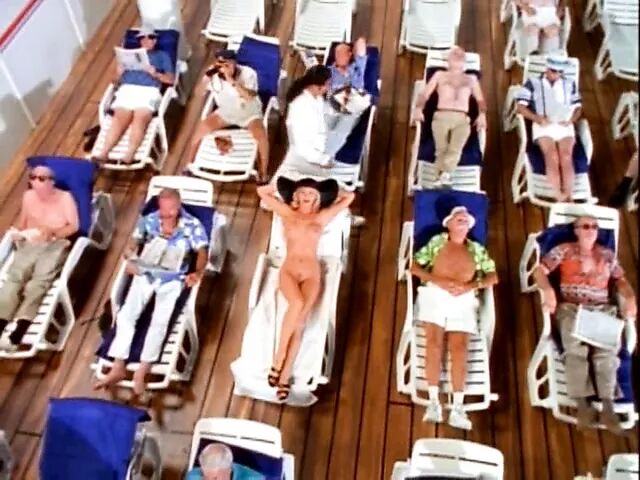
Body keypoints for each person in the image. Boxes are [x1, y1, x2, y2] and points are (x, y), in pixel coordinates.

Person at [94, 188, 208, 394]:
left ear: (177, 207)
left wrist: (197, 272)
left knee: (159, 321)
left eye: (170, 210)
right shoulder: (150, 220)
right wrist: (130, 253)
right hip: (146, 273)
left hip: (173, 278)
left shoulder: (192, 225)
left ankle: (142, 370)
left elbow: (202, 251)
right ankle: (118, 365)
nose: (165, 214)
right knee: (126, 315)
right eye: (162, 209)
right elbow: (135, 240)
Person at [533, 215, 637, 433]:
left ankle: (607, 405)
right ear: (576, 230)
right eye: (586, 226)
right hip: (572, 308)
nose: (591, 230)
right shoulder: (564, 250)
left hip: (602, 309)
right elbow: (539, 270)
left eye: (595, 227)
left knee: (606, 353)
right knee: (575, 351)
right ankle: (582, 404)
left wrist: (629, 297)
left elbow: (621, 280)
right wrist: (548, 290)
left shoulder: (606, 254)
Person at [257, 177, 355, 400]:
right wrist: (283, 187)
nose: (307, 196)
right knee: (297, 303)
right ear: (295, 196)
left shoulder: (322, 216)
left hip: (311, 272)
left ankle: (284, 376)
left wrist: (331, 191)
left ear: (318, 198)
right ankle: (278, 359)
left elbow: (349, 197)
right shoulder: (287, 213)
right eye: (302, 192)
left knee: (300, 323)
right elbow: (262, 193)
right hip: (290, 269)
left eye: (312, 193)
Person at [410, 206, 498, 430]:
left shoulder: (476, 250)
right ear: (448, 224)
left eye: (466, 219)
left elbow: (493, 276)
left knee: (460, 348)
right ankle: (433, 402)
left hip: (464, 297)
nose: (463, 220)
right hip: (435, 292)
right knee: (433, 342)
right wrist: (437, 280)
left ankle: (458, 406)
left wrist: (471, 286)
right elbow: (415, 267)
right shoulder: (437, 243)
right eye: (458, 218)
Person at [0, 164, 79, 352]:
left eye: (42, 178)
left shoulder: (65, 198)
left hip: (56, 243)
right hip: (31, 242)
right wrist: (18, 233)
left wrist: (52, 232)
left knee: (38, 283)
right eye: (33, 177)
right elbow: (23, 222)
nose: (36, 181)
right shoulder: (28, 197)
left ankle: (18, 332)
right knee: (14, 279)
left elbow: (73, 227)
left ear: (52, 182)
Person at [92, 26, 175, 164]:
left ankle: (130, 153)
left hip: (149, 91)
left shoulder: (162, 56)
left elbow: (171, 80)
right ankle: (104, 153)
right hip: (127, 90)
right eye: (143, 38)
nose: (147, 40)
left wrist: (156, 74)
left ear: (155, 40)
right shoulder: (128, 57)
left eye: (151, 37)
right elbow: (114, 81)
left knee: (139, 119)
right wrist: (118, 73)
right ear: (140, 41)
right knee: (119, 119)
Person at [186, 49, 269, 183]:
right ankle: (189, 165)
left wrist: (231, 80)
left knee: (261, 136)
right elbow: (198, 94)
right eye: (220, 63)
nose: (222, 66)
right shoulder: (214, 75)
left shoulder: (248, 73)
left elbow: (249, 97)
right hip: (226, 112)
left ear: (234, 63)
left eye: (226, 63)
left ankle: (263, 173)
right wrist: (206, 79)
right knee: (200, 130)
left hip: (249, 112)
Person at [411, 46, 488, 188]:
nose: (458, 53)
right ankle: (443, 177)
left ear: (464, 61)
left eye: (461, 53)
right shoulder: (440, 75)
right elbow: (425, 94)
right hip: (442, 115)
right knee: (441, 149)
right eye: (454, 53)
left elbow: (480, 100)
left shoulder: (471, 79)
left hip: (462, 119)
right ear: (448, 60)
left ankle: (441, 177)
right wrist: (418, 108)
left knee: (455, 148)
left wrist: (482, 114)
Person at [516, 55, 582, 202]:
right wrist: (536, 118)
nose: (556, 75)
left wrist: (571, 120)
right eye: (553, 71)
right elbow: (520, 107)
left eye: (560, 72)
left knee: (566, 156)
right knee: (552, 155)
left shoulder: (569, 84)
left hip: (564, 124)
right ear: (547, 68)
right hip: (543, 124)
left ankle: (568, 195)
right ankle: (559, 195)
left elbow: (578, 107)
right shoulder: (532, 83)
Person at [185, 443, 263, 480]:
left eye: (215, 479)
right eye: (204, 476)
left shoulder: (254, 479)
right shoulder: (193, 476)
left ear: (228, 470)